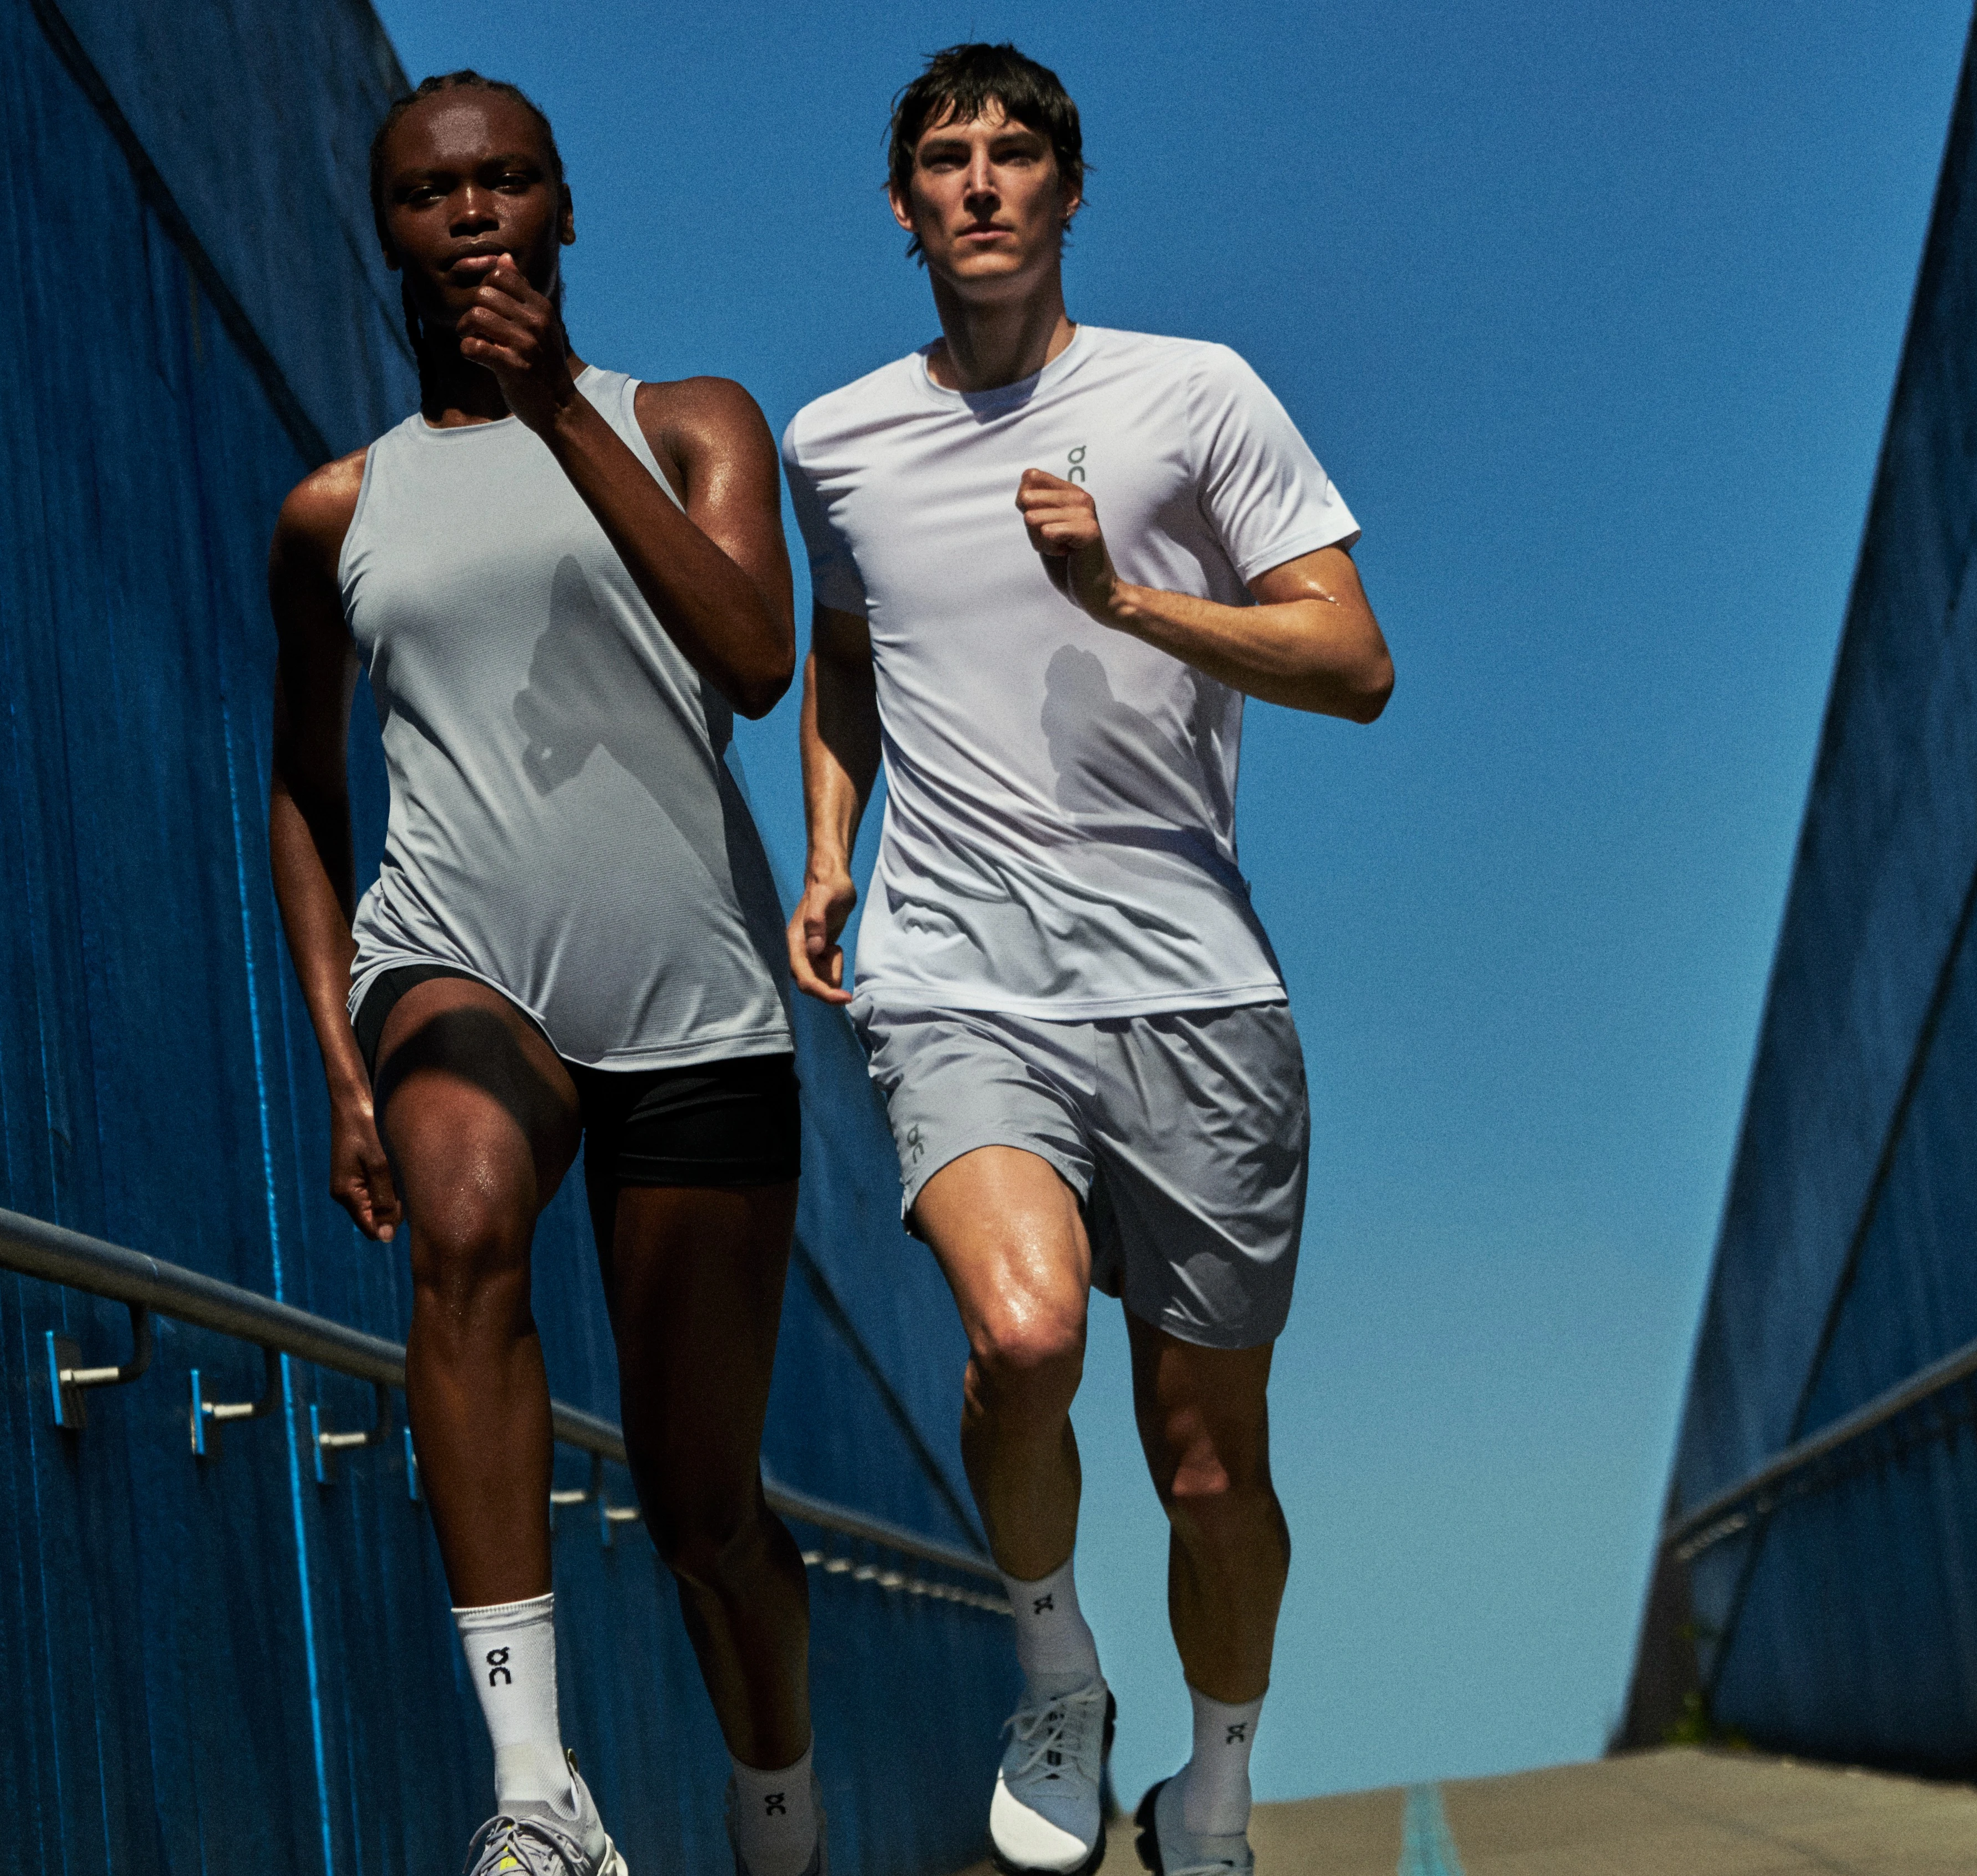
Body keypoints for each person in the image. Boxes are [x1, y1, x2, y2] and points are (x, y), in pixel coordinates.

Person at [781, 42, 1394, 1876]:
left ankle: (1213, 1781)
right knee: (1023, 1331)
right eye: (946, 160)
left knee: (1211, 1470)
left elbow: (1352, 661)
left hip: (1194, 988)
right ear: (902, 207)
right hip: (957, 972)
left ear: (1067, 189)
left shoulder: (1192, 398)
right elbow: (850, 643)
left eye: (1015, 153)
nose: (981, 183)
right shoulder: (839, 440)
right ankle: (1057, 1667)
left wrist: (1122, 598)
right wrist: (829, 845)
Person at [265, 69, 824, 1876]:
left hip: (691, 999)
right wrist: (347, 1053)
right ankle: (535, 1791)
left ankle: (775, 1802)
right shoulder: (335, 510)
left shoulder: (687, 423)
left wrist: (554, 412)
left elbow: (754, 658)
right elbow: (300, 781)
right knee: (468, 1217)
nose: (479, 213)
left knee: (700, 1505)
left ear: (567, 210)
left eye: (512, 181)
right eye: (437, 194)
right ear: (393, 236)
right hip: (454, 957)